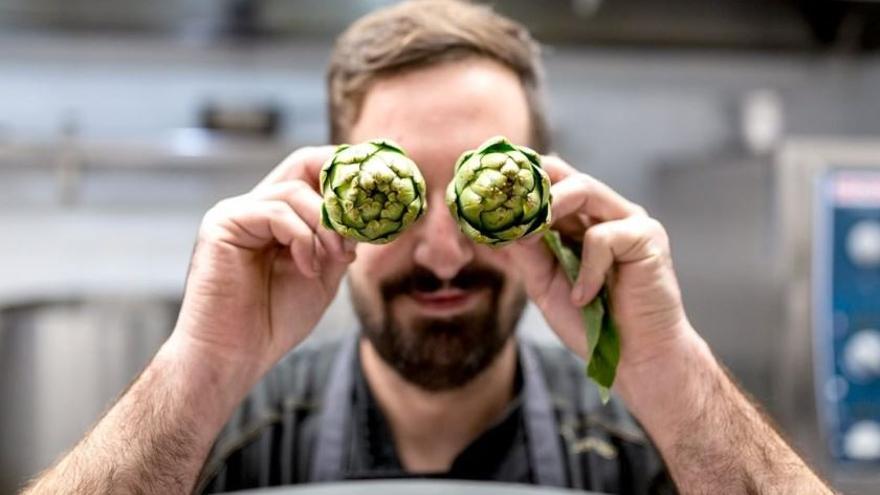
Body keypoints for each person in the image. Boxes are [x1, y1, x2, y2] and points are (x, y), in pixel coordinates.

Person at [25, 1, 832, 494]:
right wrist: (196, 369)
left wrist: (670, 372)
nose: (444, 253)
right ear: (327, 193)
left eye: (480, 202)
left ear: (547, 199)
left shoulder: (649, 444)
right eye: (403, 199)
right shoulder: (223, 439)